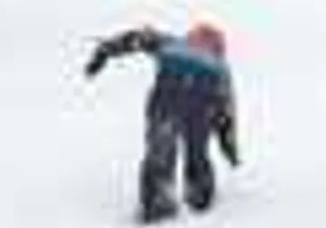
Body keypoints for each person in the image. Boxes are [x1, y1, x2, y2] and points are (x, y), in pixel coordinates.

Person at [84, 22, 240, 223]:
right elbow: (227, 113)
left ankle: (158, 197)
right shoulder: (221, 68)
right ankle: (199, 193)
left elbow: (136, 38)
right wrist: (229, 148)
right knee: (197, 152)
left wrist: (105, 50)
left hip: (166, 102)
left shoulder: (171, 43)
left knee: (160, 150)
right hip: (200, 110)